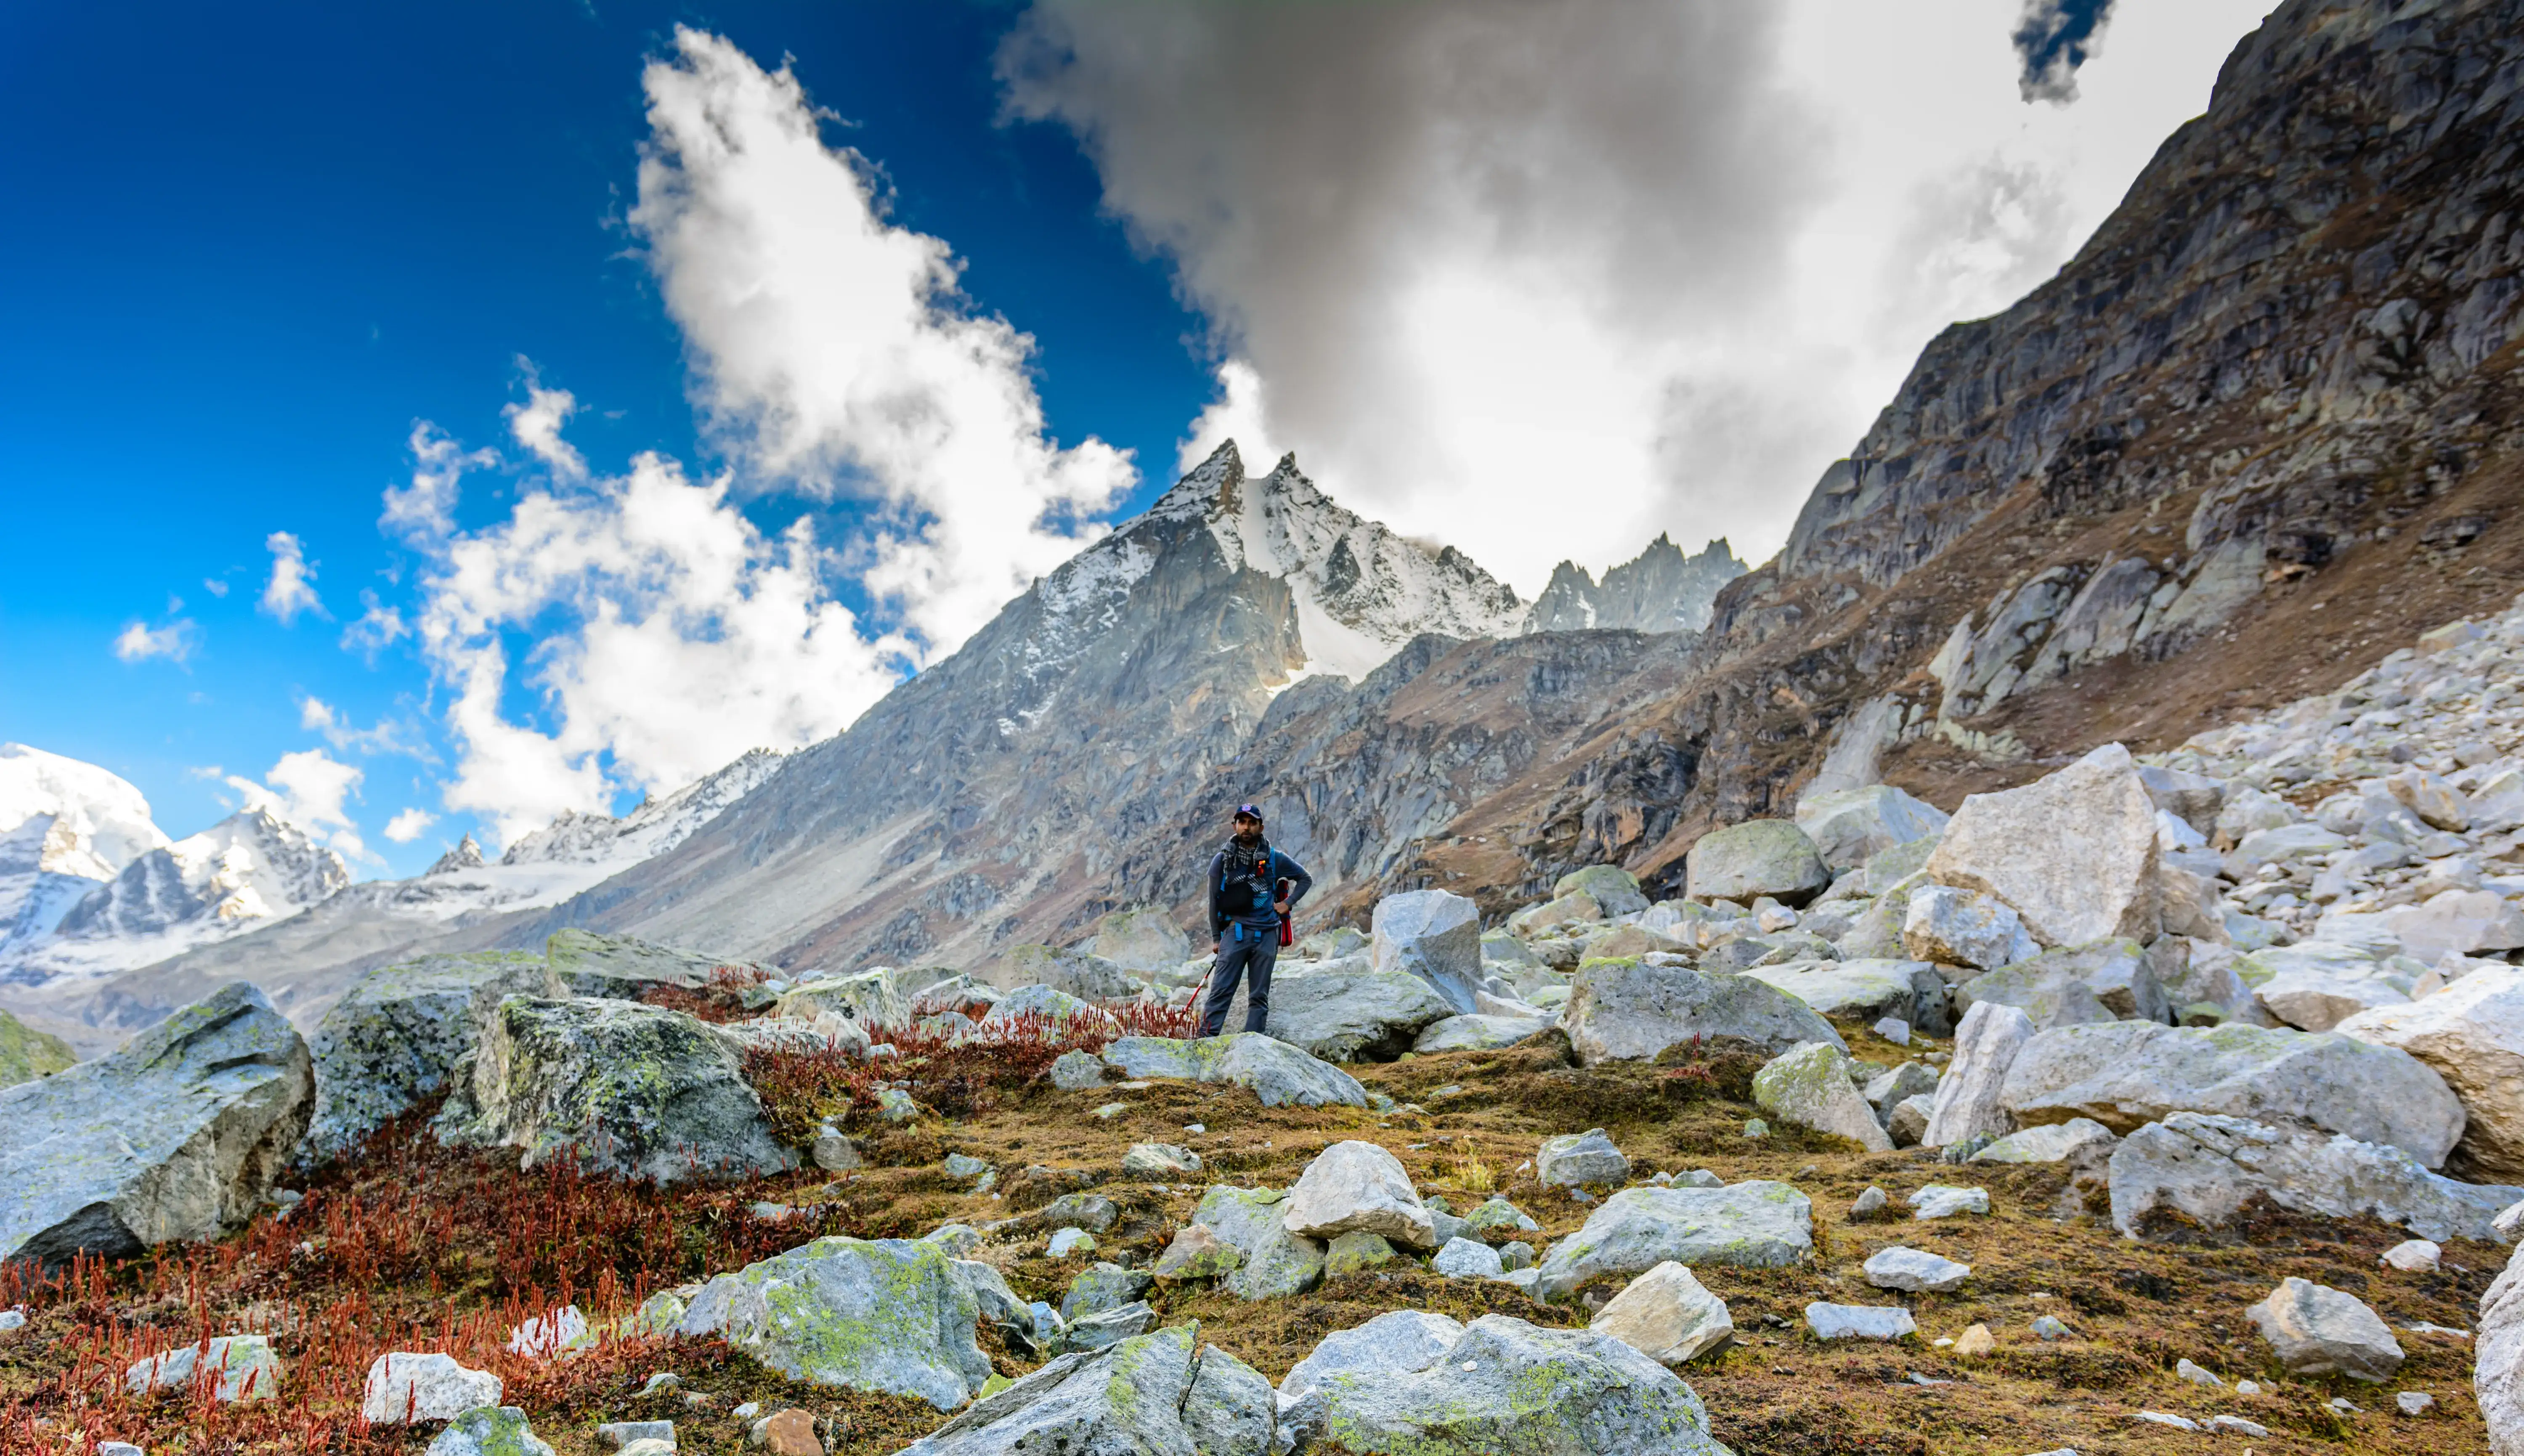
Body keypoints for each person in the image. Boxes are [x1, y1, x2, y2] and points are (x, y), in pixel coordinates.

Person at [1197, 804, 1313, 1037]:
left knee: (1259, 997)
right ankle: (1204, 1043)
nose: (1247, 827)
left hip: (1267, 935)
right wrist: (1217, 938)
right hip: (1235, 933)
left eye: (1252, 823)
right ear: (1235, 826)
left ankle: (1253, 1044)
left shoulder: (1274, 858)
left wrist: (1287, 903)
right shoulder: (1222, 860)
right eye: (1242, 822)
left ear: (1261, 827)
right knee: (1221, 992)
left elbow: (1305, 878)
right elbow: (1214, 901)